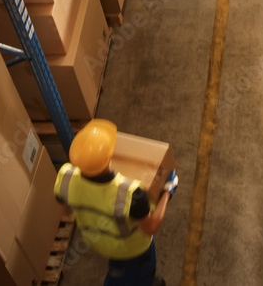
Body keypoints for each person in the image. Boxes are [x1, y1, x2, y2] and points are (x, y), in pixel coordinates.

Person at [54, 119, 179, 286]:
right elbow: (151, 227)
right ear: (109, 157)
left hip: (99, 243)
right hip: (134, 251)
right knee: (139, 275)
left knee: (119, 271)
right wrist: (167, 192)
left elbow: (65, 212)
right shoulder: (129, 193)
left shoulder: (65, 177)